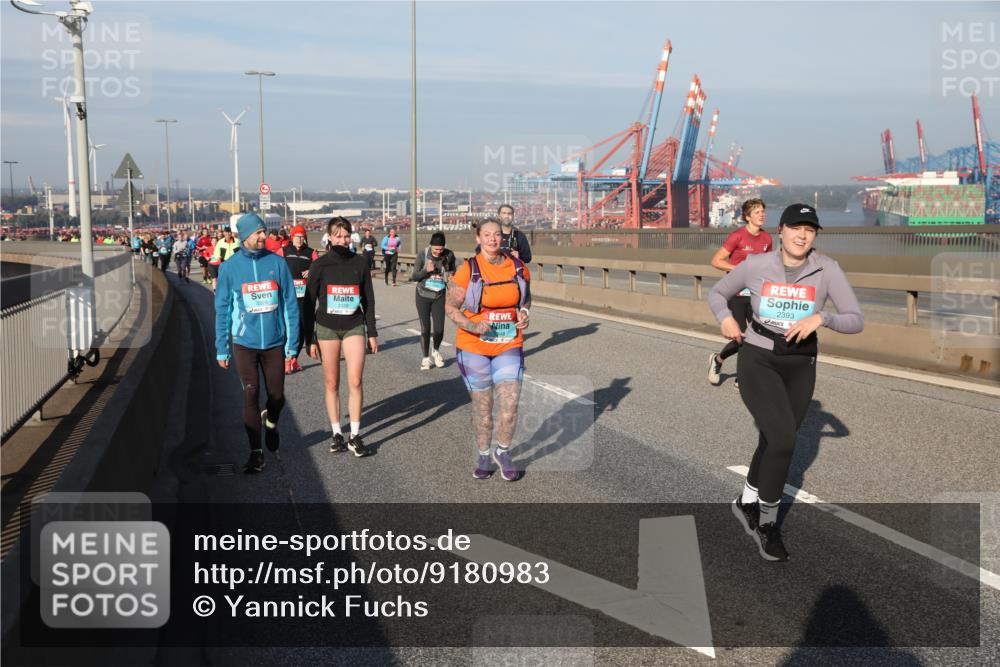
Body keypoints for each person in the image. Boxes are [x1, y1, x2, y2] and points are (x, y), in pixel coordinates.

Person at [708, 203, 863, 562]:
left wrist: (823, 318)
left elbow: (856, 319)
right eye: (796, 227)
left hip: (801, 362)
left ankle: (746, 498)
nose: (802, 234)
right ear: (781, 230)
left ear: (815, 235)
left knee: (772, 439)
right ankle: (767, 524)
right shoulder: (757, 265)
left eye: (810, 229)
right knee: (783, 439)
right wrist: (725, 319)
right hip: (758, 357)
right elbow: (717, 293)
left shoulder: (827, 268)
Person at [445, 218, 531, 482]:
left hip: (508, 343)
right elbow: (450, 308)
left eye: (497, 235)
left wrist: (525, 313)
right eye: (487, 235)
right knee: (484, 410)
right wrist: (472, 325)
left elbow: (526, 298)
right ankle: (483, 454)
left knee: (510, 405)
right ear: (478, 239)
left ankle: (502, 452)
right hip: (474, 346)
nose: (493, 239)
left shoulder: (518, 267)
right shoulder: (468, 271)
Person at [214, 213, 300, 474]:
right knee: (250, 392)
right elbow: (222, 309)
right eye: (258, 233)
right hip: (244, 343)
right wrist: (222, 347)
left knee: (276, 395)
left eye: (264, 231)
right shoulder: (229, 268)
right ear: (245, 236)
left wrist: (292, 345)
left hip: (274, 342)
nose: (264, 236)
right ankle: (256, 452)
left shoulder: (277, 263)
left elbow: (290, 305)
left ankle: (271, 422)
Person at [303, 217, 378, 457]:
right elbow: (308, 303)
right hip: (326, 328)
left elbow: (368, 299)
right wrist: (310, 338)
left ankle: (355, 436)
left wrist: (372, 333)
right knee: (331, 382)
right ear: (329, 237)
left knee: (355, 381)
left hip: (354, 326)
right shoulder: (320, 265)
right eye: (338, 235)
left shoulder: (359, 262)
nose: (342, 240)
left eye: (346, 235)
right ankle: (337, 432)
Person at [708, 198, 772, 388]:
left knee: (757, 335)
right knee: (740, 337)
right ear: (747, 216)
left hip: (756, 294)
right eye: (757, 212)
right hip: (736, 293)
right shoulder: (737, 236)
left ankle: (742, 375)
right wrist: (739, 269)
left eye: (763, 211)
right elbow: (716, 260)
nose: (762, 215)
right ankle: (718, 360)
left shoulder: (767, 238)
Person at [411, 232, 457, 370]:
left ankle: (435, 351)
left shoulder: (448, 255)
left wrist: (452, 276)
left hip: (439, 295)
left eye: (441, 249)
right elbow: (414, 276)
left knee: (439, 329)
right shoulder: (422, 255)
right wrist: (426, 270)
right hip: (423, 295)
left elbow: (453, 271)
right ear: (431, 245)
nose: (438, 252)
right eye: (435, 249)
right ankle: (426, 358)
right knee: (425, 329)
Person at [281, 224, 319, 374]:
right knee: (289, 327)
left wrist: (311, 271)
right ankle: (286, 359)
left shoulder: (311, 252)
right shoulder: (284, 251)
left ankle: (294, 358)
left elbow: (319, 267)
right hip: (288, 295)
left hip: (305, 295)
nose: (300, 239)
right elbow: (274, 264)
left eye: (302, 236)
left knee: (303, 327)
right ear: (292, 237)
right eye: (297, 236)